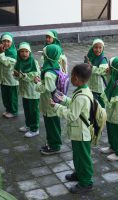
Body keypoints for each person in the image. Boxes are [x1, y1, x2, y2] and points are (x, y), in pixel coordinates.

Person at [50, 63, 93, 194]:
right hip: (79, 131)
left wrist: (56, 107)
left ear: (78, 79)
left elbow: (72, 115)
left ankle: (86, 182)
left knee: (83, 158)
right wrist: (64, 99)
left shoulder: (81, 96)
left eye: (72, 75)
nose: (71, 77)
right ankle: (79, 174)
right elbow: (76, 106)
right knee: (78, 156)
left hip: (81, 133)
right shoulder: (83, 90)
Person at [34, 44, 62, 155]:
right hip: (53, 103)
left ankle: (55, 146)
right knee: (52, 124)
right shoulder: (55, 66)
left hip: (50, 103)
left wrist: (37, 83)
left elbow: (48, 88)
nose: (43, 57)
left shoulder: (49, 73)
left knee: (52, 125)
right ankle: (52, 142)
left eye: (44, 55)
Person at [100, 57, 118, 161]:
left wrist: (116, 116)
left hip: (117, 114)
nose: (108, 67)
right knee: (111, 129)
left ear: (114, 69)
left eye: (109, 66)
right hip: (111, 112)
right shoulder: (114, 78)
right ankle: (113, 147)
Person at [14, 42, 40, 137]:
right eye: (22, 51)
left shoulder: (34, 62)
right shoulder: (19, 62)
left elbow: (34, 76)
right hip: (25, 91)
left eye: (26, 51)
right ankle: (28, 125)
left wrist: (21, 75)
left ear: (30, 52)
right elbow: (16, 76)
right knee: (26, 109)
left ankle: (35, 128)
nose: (24, 53)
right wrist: (16, 75)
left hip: (33, 91)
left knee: (33, 110)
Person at [0, 32, 18, 118]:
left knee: (12, 97)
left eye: (8, 41)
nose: (6, 43)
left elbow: (6, 62)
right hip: (3, 78)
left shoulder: (13, 53)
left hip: (11, 80)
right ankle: (8, 109)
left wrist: (1, 54)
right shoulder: (0, 51)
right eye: (4, 41)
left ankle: (13, 111)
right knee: (5, 96)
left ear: (12, 42)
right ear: (0, 42)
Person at [85, 38, 108, 107]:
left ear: (103, 48)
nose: (98, 50)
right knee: (91, 101)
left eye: (100, 48)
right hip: (89, 83)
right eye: (96, 47)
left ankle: (101, 114)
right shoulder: (90, 56)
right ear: (92, 48)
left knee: (100, 102)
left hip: (99, 85)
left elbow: (103, 71)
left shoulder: (102, 59)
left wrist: (91, 67)